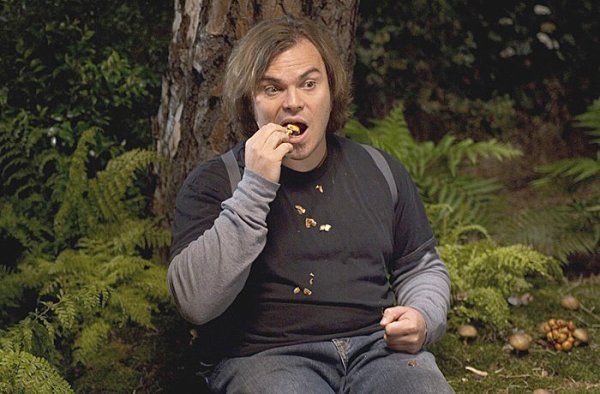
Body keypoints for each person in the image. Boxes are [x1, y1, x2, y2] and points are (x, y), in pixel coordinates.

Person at [167, 16, 454, 393]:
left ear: (330, 92)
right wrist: (255, 187)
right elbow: (194, 303)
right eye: (272, 89)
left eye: (309, 84)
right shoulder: (216, 182)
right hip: (265, 359)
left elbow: (420, 266)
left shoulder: (379, 169)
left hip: (377, 350)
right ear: (247, 102)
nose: (293, 103)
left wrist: (422, 316)